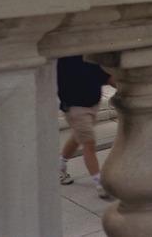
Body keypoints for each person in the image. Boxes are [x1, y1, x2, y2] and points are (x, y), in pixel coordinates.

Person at [57, 55, 114, 199]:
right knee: (89, 143)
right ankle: (99, 183)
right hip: (76, 108)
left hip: (92, 105)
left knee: (78, 138)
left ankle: (60, 165)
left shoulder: (90, 54)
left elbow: (106, 76)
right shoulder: (64, 58)